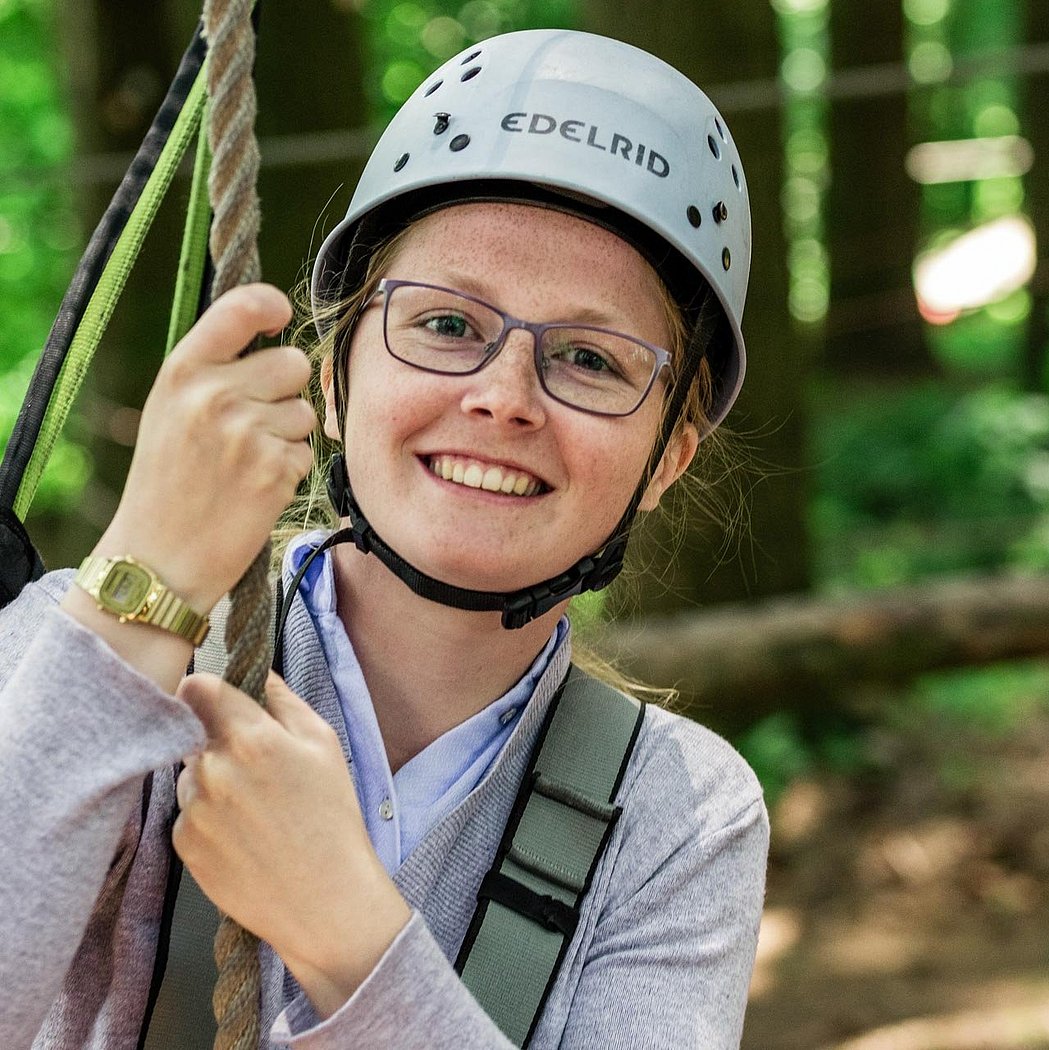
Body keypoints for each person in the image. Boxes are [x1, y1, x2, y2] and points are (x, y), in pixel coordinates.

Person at [0, 27, 768, 1050]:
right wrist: (147, 573)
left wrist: (347, 930)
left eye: (588, 357)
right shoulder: (88, 652)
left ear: (668, 455)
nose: (504, 399)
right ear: (334, 372)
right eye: (447, 325)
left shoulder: (675, 818)